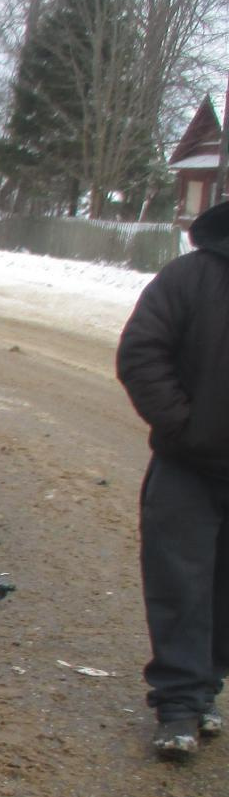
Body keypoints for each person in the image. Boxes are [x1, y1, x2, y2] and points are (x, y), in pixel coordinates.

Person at [116, 197, 229, 760]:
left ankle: (206, 687)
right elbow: (141, 353)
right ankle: (179, 707)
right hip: (188, 467)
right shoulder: (189, 278)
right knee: (180, 586)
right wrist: (184, 427)